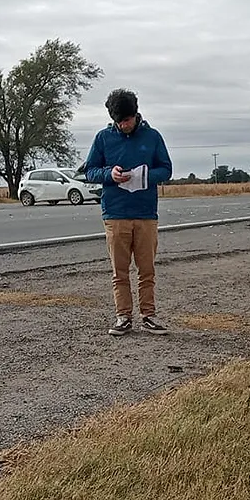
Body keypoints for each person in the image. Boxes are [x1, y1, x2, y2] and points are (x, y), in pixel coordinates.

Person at [83, 88, 174, 336]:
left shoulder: (152, 136)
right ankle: (123, 316)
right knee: (119, 271)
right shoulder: (103, 138)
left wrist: (145, 176)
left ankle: (149, 315)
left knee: (147, 270)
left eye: (127, 120)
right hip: (115, 214)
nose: (124, 125)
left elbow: (166, 169)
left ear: (136, 114)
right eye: (119, 121)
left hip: (145, 214)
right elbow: (90, 171)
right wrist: (109, 175)